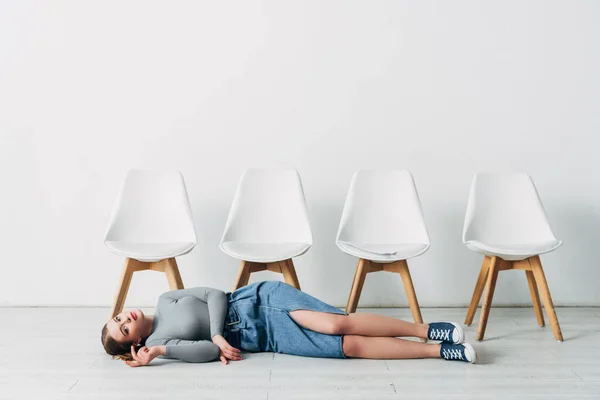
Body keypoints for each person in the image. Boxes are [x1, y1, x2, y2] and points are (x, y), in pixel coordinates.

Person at [101, 281, 476, 367]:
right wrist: (161, 352)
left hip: (258, 300)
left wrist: (216, 331)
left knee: (335, 325)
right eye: (123, 330)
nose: (126, 319)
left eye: (119, 317)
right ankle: (439, 350)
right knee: (348, 348)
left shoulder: (167, 299)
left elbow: (215, 295)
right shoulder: (165, 340)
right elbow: (209, 352)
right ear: (133, 345)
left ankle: (426, 329)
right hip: (264, 337)